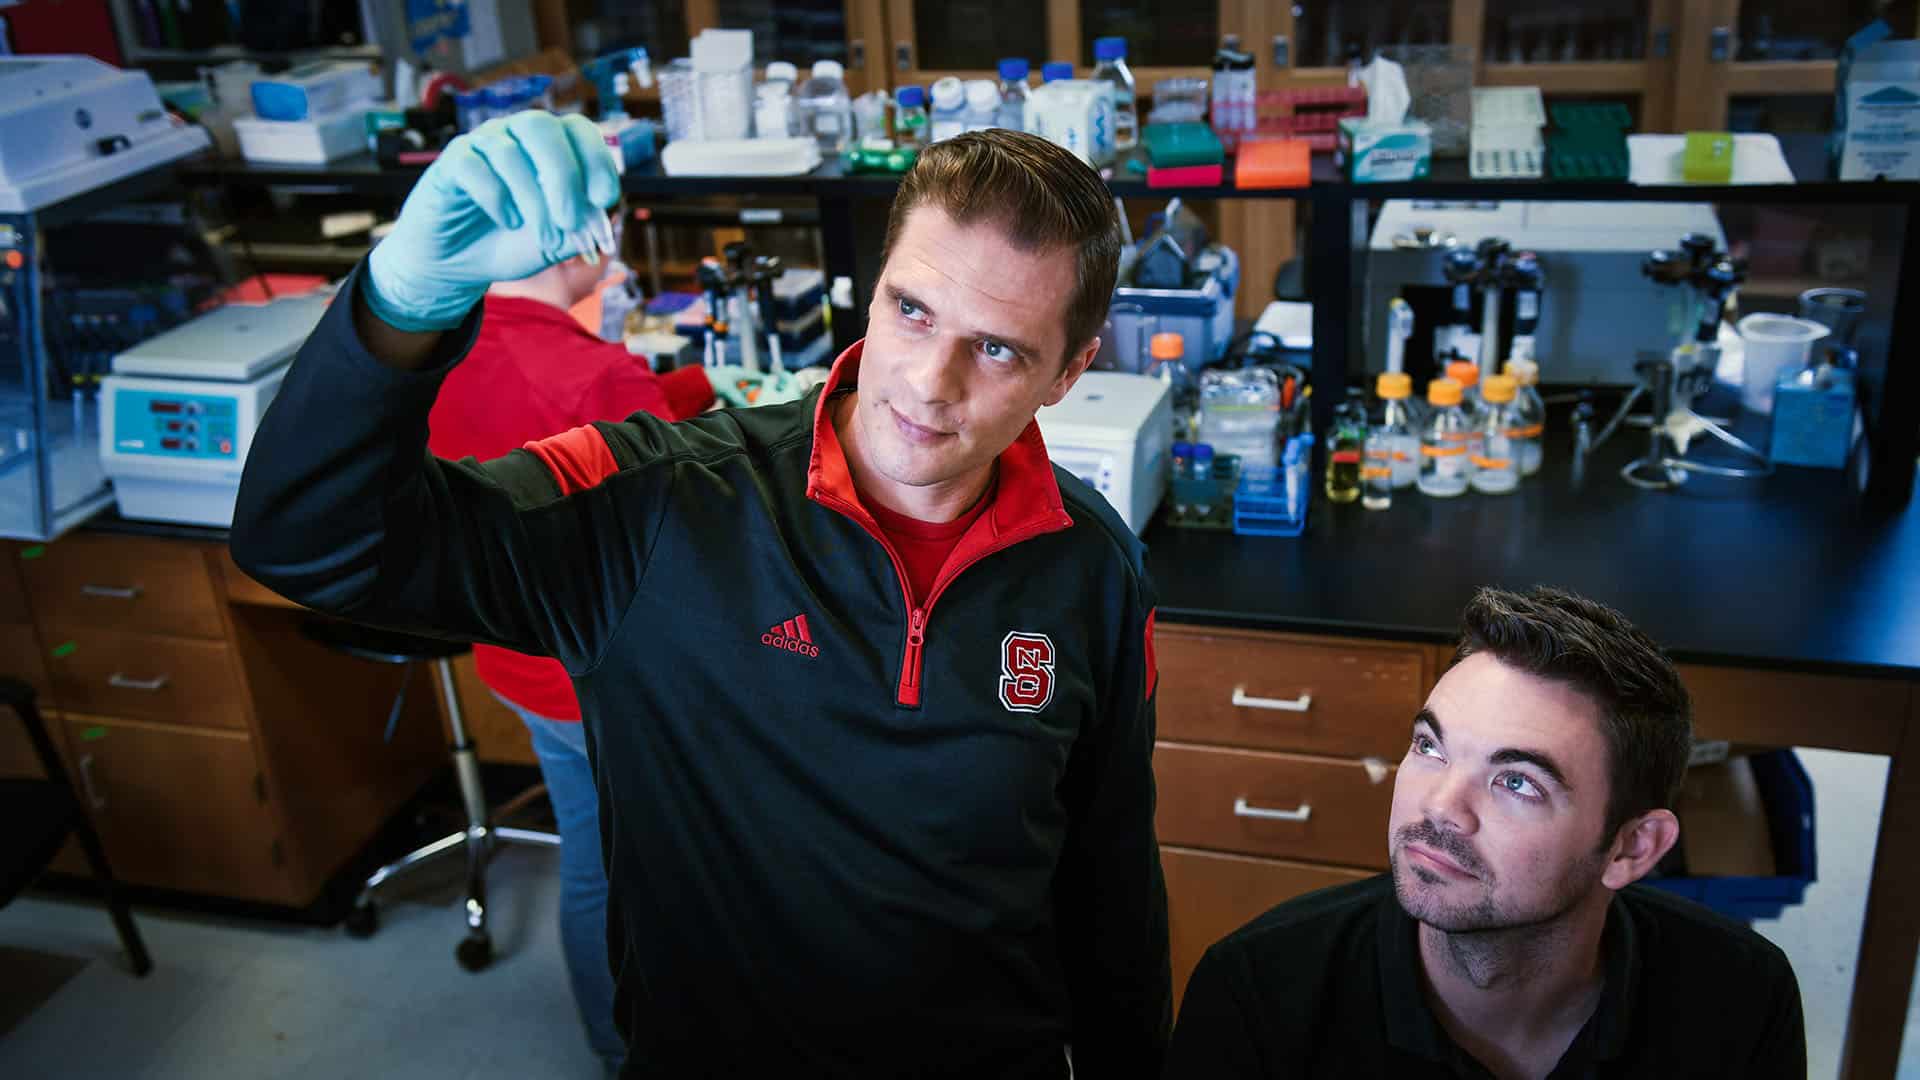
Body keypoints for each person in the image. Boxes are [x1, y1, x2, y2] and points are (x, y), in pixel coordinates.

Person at [230, 113, 1169, 1076]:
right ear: (874, 287)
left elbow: (1111, 883)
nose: (931, 382)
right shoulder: (657, 504)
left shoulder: (1091, 565)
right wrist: (399, 303)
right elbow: (310, 542)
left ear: (1071, 370)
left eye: (1000, 349)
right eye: (912, 311)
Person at [1164, 586, 1805, 1080]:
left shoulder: (1742, 1002)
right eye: (1430, 747)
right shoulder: (1257, 996)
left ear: (1631, 847)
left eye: (1517, 782)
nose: (1440, 806)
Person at [424, 238, 716, 1077]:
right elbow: (688, 527)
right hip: (599, 673)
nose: (618, 253)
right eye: (610, 229)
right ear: (577, 240)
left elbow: (553, 444)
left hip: (514, 653)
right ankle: (627, 1045)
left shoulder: (449, 341)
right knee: (624, 861)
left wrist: (694, 393)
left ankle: (612, 1033)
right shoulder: (594, 371)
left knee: (593, 843)